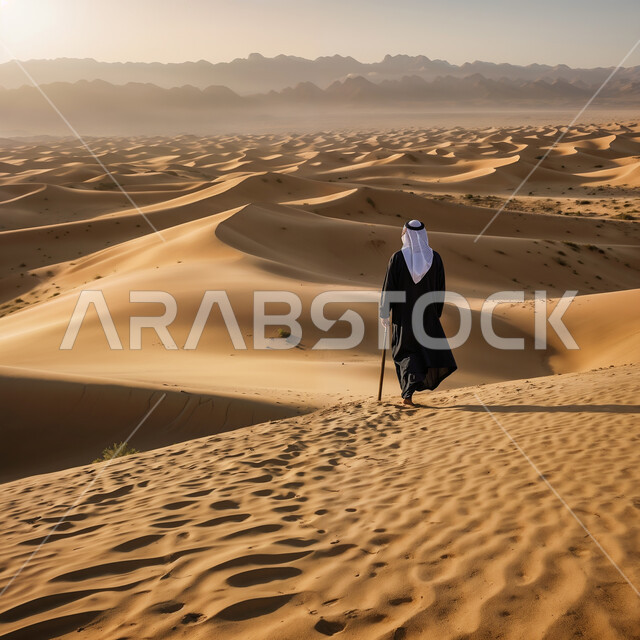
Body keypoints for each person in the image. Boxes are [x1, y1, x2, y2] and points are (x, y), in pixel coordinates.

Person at [379, 219, 457, 405]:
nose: (402, 234)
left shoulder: (398, 258)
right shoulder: (435, 258)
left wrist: (384, 312)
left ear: (407, 234)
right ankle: (411, 389)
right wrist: (436, 312)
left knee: (405, 352)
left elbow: (388, 288)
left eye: (403, 231)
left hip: (403, 316)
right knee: (422, 351)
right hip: (427, 315)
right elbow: (440, 289)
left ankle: (408, 395)